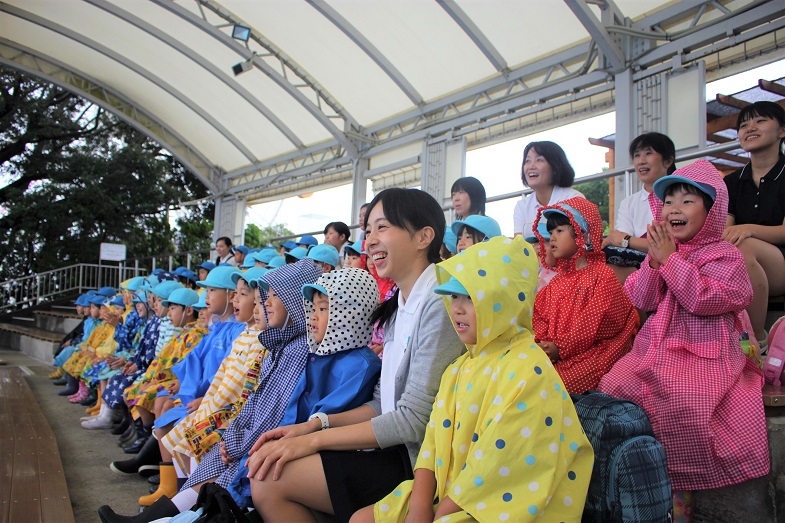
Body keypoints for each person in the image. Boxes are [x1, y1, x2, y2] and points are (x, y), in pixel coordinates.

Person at [243, 188, 465, 523]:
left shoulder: (439, 302)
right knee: (269, 467)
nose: (370, 240)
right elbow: (383, 403)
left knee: (270, 479)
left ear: (424, 237)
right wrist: (312, 427)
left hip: (419, 464)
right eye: (368, 230)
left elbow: (412, 421)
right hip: (392, 448)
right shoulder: (400, 303)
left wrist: (314, 441)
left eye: (383, 227)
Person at [351, 236, 593, 522]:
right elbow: (432, 443)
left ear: (503, 300)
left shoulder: (530, 369)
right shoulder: (460, 366)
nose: (457, 308)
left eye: (471, 297)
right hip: (449, 492)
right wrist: (419, 506)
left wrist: (438, 514)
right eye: (454, 296)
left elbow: (492, 467)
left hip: (497, 505)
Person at [600, 160, 770, 519]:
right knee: (614, 384)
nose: (675, 208)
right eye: (669, 201)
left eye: (687, 200)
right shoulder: (661, 253)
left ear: (712, 211)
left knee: (687, 399)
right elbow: (641, 298)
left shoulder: (725, 254)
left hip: (709, 350)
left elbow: (704, 300)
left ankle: (681, 493)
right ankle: (635, 476)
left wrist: (672, 261)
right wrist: (654, 262)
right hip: (659, 346)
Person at [97, 260, 323, 523]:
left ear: (296, 301)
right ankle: (158, 516)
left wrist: (236, 442)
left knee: (219, 464)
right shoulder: (280, 345)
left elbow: (271, 414)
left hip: (261, 442)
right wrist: (234, 436)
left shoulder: (296, 350)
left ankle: (172, 517)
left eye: (275, 295)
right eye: (265, 296)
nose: (267, 303)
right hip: (243, 433)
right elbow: (254, 402)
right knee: (211, 458)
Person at [229, 267, 384, 506]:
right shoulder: (317, 355)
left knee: (263, 475)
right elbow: (291, 414)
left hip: (325, 454)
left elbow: (322, 418)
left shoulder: (361, 365)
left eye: (323, 309)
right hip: (300, 442)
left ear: (350, 312)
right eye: (313, 308)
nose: (313, 316)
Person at [531, 197, 637, 394]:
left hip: (598, 352)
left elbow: (594, 322)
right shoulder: (554, 283)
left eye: (559, 231)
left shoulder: (602, 275)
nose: (552, 238)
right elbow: (540, 317)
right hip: (556, 353)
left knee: (553, 387)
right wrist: (544, 343)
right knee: (527, 377)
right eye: (551, 232)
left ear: (584, 234)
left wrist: (560, 347)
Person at [723, 101, 785, 348]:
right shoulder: (732, 181)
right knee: (732, 249)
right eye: (744, 125)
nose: (750, 128)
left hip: (779, 261)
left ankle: (757, 341)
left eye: (760, 121)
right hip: (743, 261)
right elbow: (726, 231)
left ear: (782, 131)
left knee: (744, 247)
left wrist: (747, 229)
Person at [602, 132, 676, 283]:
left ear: (668, 161)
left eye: (648, 153)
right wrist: (627, 241)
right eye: (636, 155)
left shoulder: (681, 197)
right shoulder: (629, 203)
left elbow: (674, 244)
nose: (641, 161)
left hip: (673, 263)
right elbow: (618, 242)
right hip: (640, 265)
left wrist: (627, 240)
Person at [513, 141, 583, 238]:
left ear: (555, 167)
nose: (531, 166)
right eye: (527, 161)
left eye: (539, 160)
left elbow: (575, 241)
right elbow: (519, 243)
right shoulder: (522, 206)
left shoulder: (573, 199)